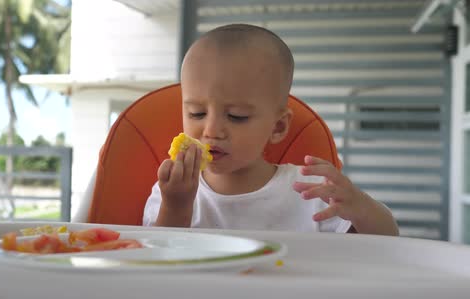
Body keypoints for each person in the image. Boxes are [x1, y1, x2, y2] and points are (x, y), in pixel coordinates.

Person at [142, 23, 398, 236]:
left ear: (277, 127)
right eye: (197, 113)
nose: (211, 131)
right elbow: (157, 262)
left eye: (236, 116)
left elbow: (388, 241)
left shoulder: (310, 190)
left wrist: (360, 206)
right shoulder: (173, 190)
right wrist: (177, 206)